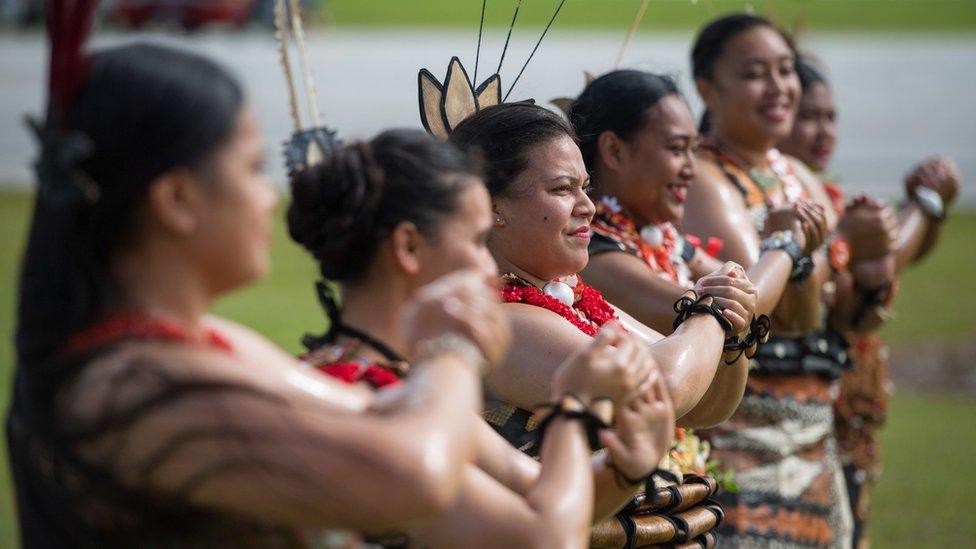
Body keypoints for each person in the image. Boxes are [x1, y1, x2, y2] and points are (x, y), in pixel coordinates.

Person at [7, 35, 515, 545]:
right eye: (253, 168)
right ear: (177, 199)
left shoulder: (190, 345)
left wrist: (585, 419)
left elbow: (374, 412)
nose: (269, 194)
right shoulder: (133, 387)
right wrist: (449, 347)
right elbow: (415, 478)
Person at [286, 128, 676, 547]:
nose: (485, 266)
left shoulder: (401, 381)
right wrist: (575, 408)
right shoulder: (359, 396)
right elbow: (544, 537)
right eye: (475, 241)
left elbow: (538, 492)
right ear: (409, 247)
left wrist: (624, 467)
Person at [447, 102, 759, 547]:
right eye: (563, 190)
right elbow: (665, 388)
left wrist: (733, 333)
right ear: (491, 206)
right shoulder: (498, 319)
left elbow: (707, 405)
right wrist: (712, 311)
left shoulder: (570, 296)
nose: (588, 207)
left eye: (586, 188)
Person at [570, 69, 828, 431]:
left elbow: (790, 318)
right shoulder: (591, 252)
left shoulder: (663, 237)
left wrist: (794, 259)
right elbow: (733, 309)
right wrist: (784, 245)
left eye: (694, 150)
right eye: (677, 150)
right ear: (614, 150)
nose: (692, 169)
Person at [683, 13, 853, 547]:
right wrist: (793, 253)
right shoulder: (701, 178)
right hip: (740, 434)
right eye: (757, 73)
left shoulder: (795, 175)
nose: (779, 87)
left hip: (810, 432)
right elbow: (770, 312)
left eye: (785, 69)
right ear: (708, 87)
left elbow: (828, 308)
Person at [779, 57, 962, 548]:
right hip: (790, 426)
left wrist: (924, 210)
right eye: (807, 116)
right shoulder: (778, 206)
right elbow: (880, 258)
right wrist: (924, 204)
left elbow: (887, 259)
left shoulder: (822, 198)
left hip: (840, 420)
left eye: (831, 116)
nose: (823, 130)